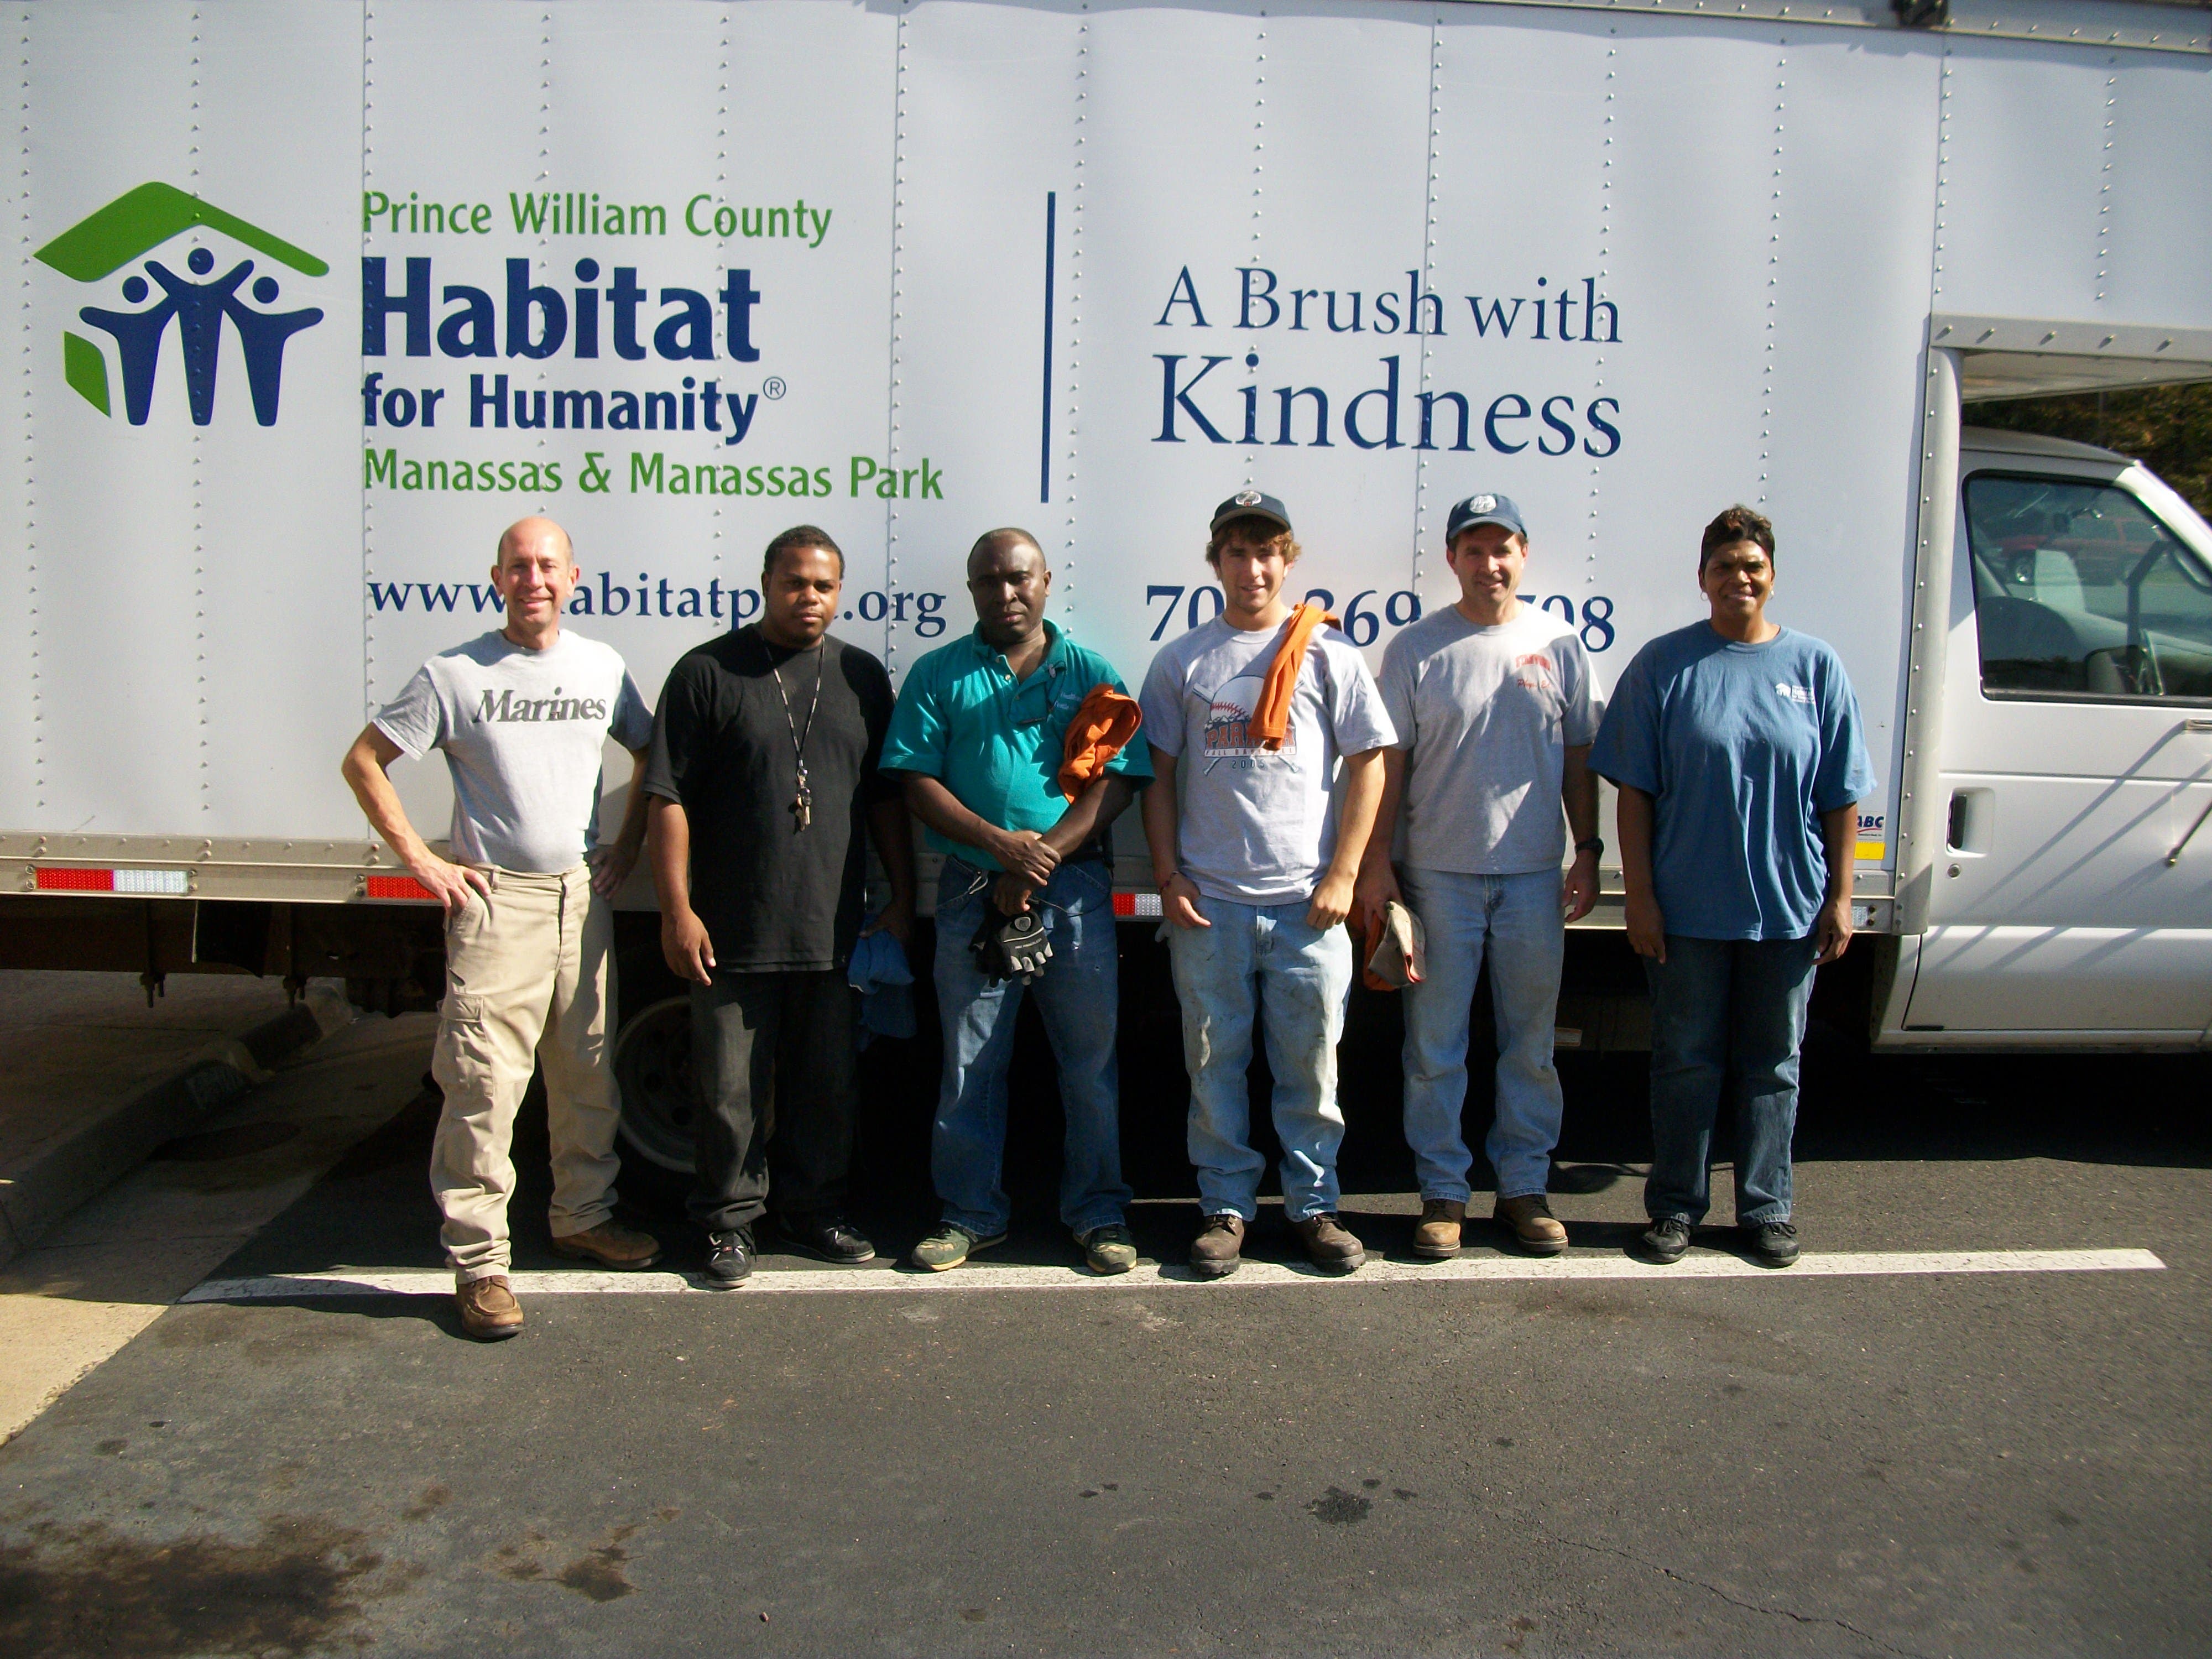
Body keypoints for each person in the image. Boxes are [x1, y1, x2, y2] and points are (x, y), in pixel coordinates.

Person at [340, 516, 661, 1341]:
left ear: (574, 576)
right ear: (497, 578)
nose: (535, 581)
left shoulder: (602, 668)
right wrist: (422, 858)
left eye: (548, 566)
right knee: (485, 1089)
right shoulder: (454, 674)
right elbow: (364, 759)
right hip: (497, 908)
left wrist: (625, 847)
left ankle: (582, 1215)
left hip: (579, 901)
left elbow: (653, 756)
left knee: (587, 1072)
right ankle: (480, 1265)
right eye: (519, 568)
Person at [1588, 504, 1872, 1269]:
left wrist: (1841, 898)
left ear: (1771, 577)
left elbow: (1842, 797)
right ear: (1702, 578)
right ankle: (1676, 1208)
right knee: (1685, 1062)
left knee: (1774, 1066)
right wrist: (1639, 898)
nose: (1738, 579)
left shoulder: (1815, 668)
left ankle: (1766, 1211)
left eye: (1752, 567)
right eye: (1724, 567)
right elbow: (1634, 793)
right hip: (1685, 914)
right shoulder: (1664, 665)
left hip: (1786, 913)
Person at [644, 525, 915, 1289]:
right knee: (728, 1092)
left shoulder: (861, 677)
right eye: (795, 583)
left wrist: (901, 895)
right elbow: (667, 798)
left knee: (825, 1086)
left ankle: (812, 1208)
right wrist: (675, 911)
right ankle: (729, 1223)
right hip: (730, 928)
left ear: (841, 592)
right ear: (765, 582)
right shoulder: (706, 672)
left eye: (825, 586)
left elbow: (887, 801)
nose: (810, 598)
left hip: (832, 927)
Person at [880, 529, 1151, 1275]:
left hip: (1075, 895)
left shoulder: (1089, 672)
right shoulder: (939, 676)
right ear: (972, 590)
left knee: (1089, 1066)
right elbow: (916, 783)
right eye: (990, 581)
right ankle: (969, 1214)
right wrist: (1002, 848)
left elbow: (1119, 780)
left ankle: (1098, 1213)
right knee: (970, 1066)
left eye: (1020, 578)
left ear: (1046, 580)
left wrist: (1040, 859)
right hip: (974, 893)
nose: (1007, 593)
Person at [1140, 491, 1395, 1278]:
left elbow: (1370, 763)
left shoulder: (1328, 655)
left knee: (1312, 1067)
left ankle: (1315, 1208)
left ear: (1289, 559)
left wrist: (1346, 876)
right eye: (1236, 552)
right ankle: (1225, 1208)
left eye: (1267, 552)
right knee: (1214, 1063)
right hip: (1210, 904)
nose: (1252, 568)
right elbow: (1158, 777)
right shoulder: (1183, 661)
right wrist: (1168, 875)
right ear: (1214, 561)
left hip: (1307, 907)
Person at [1358, 493, 1601, 1260]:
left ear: (1523, 555)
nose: (1489, 564)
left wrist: (1587, 850)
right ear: (1453, 558)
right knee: (1436, 1047)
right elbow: (1388, 766)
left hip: (1532, 878)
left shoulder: (1560, 645)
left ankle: (1524, 1188)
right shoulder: (1416, 649)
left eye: (1503, 549)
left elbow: (1578, 758)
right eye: (1474, 549)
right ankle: (1444, 1192)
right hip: (1438, 879)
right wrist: (1377, 864)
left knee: (1530, 1046)